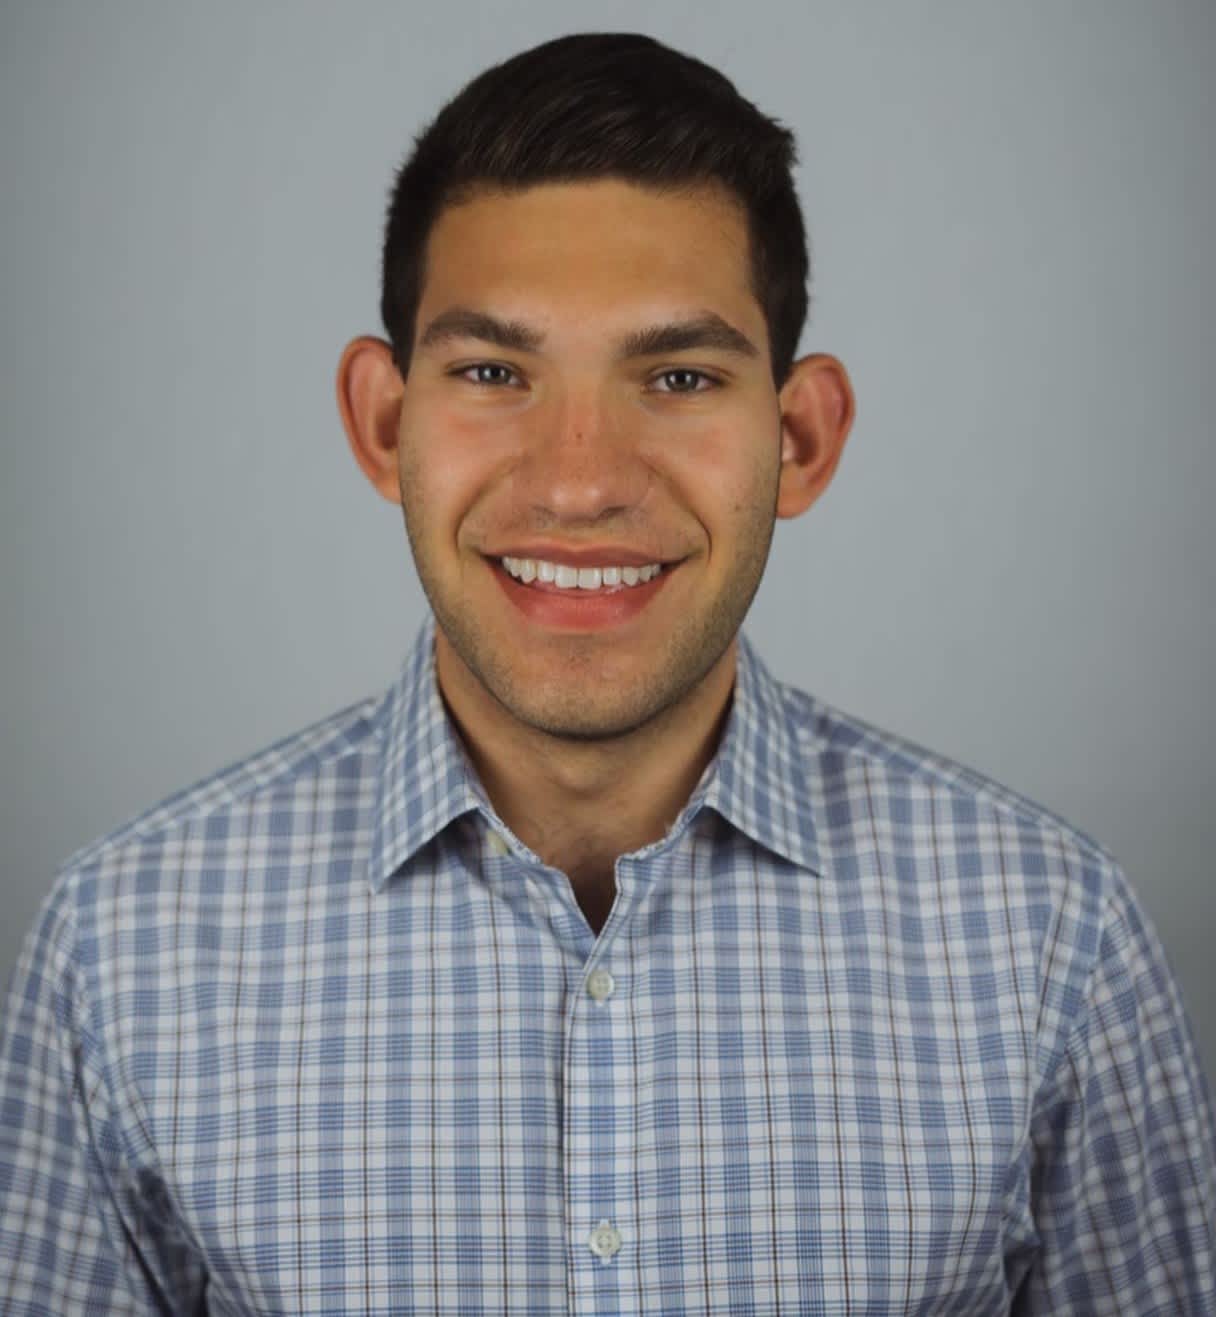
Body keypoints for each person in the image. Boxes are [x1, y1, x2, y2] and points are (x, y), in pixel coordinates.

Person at [2, 31, 1212, 1315]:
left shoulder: (1050, 940)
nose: (579, 483)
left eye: (678, 376)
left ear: (799, 440)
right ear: (385, 423)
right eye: (492, 373)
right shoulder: (121, 955)